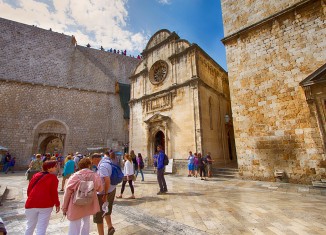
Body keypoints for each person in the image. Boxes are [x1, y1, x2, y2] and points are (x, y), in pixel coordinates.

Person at [62, 158, 103, 235]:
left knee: (74, 225)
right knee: (86, 223)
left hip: (76, 204)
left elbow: (67, 192)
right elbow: (100, 188)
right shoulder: (95, 176)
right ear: (88, 165)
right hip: (89, 203)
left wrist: (64, 207)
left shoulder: (74, 176)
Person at [24, 160, 60, 235]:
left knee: (30, 226)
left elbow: (29, 189)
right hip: (45, 205)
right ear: (49, 168)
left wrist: (32, 198)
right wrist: (57, 204)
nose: (57, 168)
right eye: (55, 166)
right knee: (41, 227)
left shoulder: (36, 175)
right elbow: (54, 193)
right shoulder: (53, 178)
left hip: (31, 203)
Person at [93, 153, 116, 235]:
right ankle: (110, 227)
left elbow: (107, 180)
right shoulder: (109, 161)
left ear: (96, 158)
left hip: (103, 193)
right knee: (106, 209)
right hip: (112, 189)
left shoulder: (102, 166)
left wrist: (105, 195)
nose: (93, 163)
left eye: (93, 161)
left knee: (98, 216)